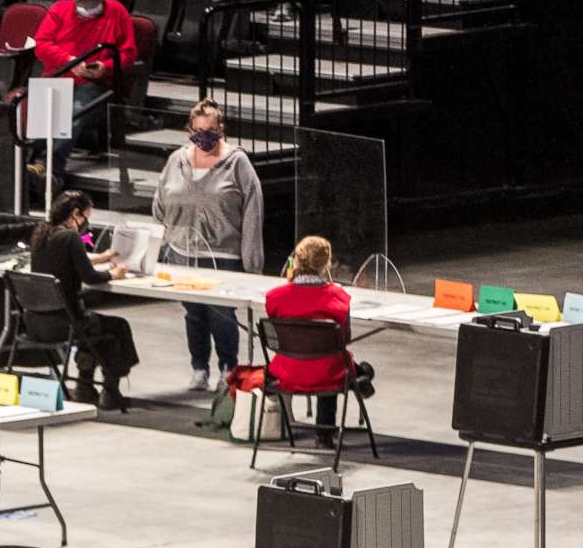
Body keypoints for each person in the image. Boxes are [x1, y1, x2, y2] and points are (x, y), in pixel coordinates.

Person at [150, 99, 266, 393]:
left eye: (211, 130)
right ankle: (198, 367)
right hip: (182, 254)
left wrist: (252, 262)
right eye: (199, 130)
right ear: (190, 130)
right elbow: (160, 203)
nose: (205, 136)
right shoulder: (177, 160)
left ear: (221, 129)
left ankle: (229, 369)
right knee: (194, 314)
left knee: (222, 315)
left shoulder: (237, 162)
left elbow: (253, 209)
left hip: (222, 255)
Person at [29, 191, 139, 411]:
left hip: (36, 321)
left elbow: (67, 261)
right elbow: (90, 277)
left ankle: (85, 387)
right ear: (75, 214)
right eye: (86, 218)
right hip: (66, 323)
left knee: (94, 328)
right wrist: (113, 275)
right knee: (116, 328)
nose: (86, 224)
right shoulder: (70, 237)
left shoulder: (42, 233)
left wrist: (102, 257)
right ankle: (110, 390)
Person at [266, 236, 363, 448]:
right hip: (326, 373)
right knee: (331, 364)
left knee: (323, 362)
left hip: (286, 371)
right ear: (327, 264)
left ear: (296, 260)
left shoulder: (275, 296)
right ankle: (324, 435)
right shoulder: (339, 297)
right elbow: (344, 339)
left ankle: (287, 423)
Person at [31, 0, 140, 175]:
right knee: (43, 108)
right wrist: (68, 61)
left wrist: (105, 67)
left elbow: (128, 55)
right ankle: (30, 162)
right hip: (58, 76)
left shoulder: (118, 12)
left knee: (74, 111)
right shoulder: (59, 9)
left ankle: (51, 168)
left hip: (95, 82)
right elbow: (42, 45)